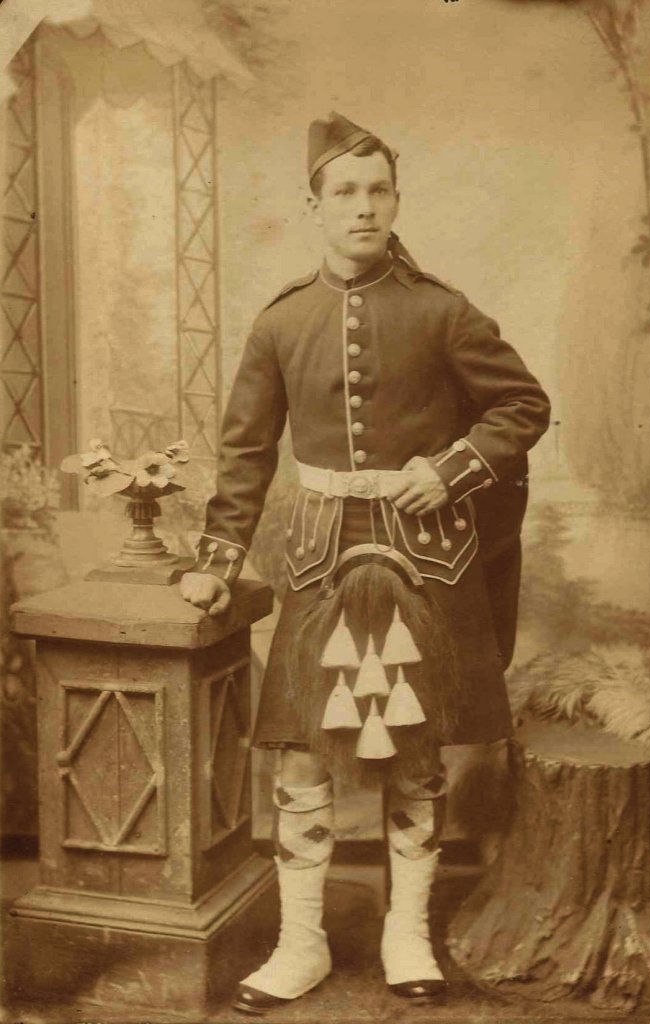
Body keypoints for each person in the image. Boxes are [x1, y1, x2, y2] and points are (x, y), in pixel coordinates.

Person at [180, 112, 551, 1015]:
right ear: (312, 206)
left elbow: (521, 407)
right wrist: (218, 559)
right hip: (315, 559)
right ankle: (300, 942)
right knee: (303, 754)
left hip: (426, 558)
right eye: (343, 192)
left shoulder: (442, 310)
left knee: (413, 750)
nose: (363, 207)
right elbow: (243, 455)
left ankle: (405, 932)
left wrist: (449, 469)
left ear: (396, 199)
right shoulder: (282, 322)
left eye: (377, 189)